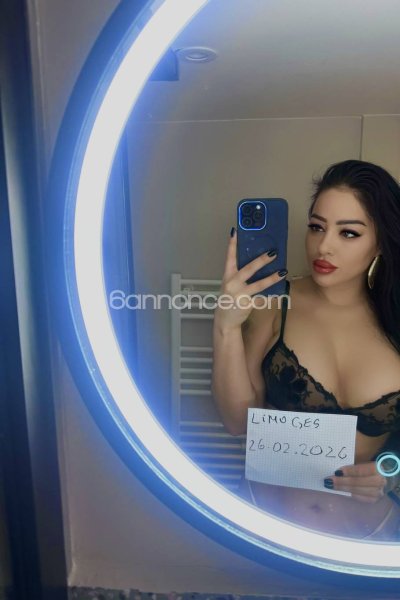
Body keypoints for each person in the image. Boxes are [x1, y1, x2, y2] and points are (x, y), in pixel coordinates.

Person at [211, 159, 400, 540]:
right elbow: (236, 422)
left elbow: (393, 463)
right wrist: (226, 327)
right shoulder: (274, 305)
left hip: (372, 535)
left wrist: (391, 472)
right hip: (267, 524)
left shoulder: (395, 319)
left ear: (380, 241)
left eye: (348, 233)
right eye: (316, 227)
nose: (323, 246)